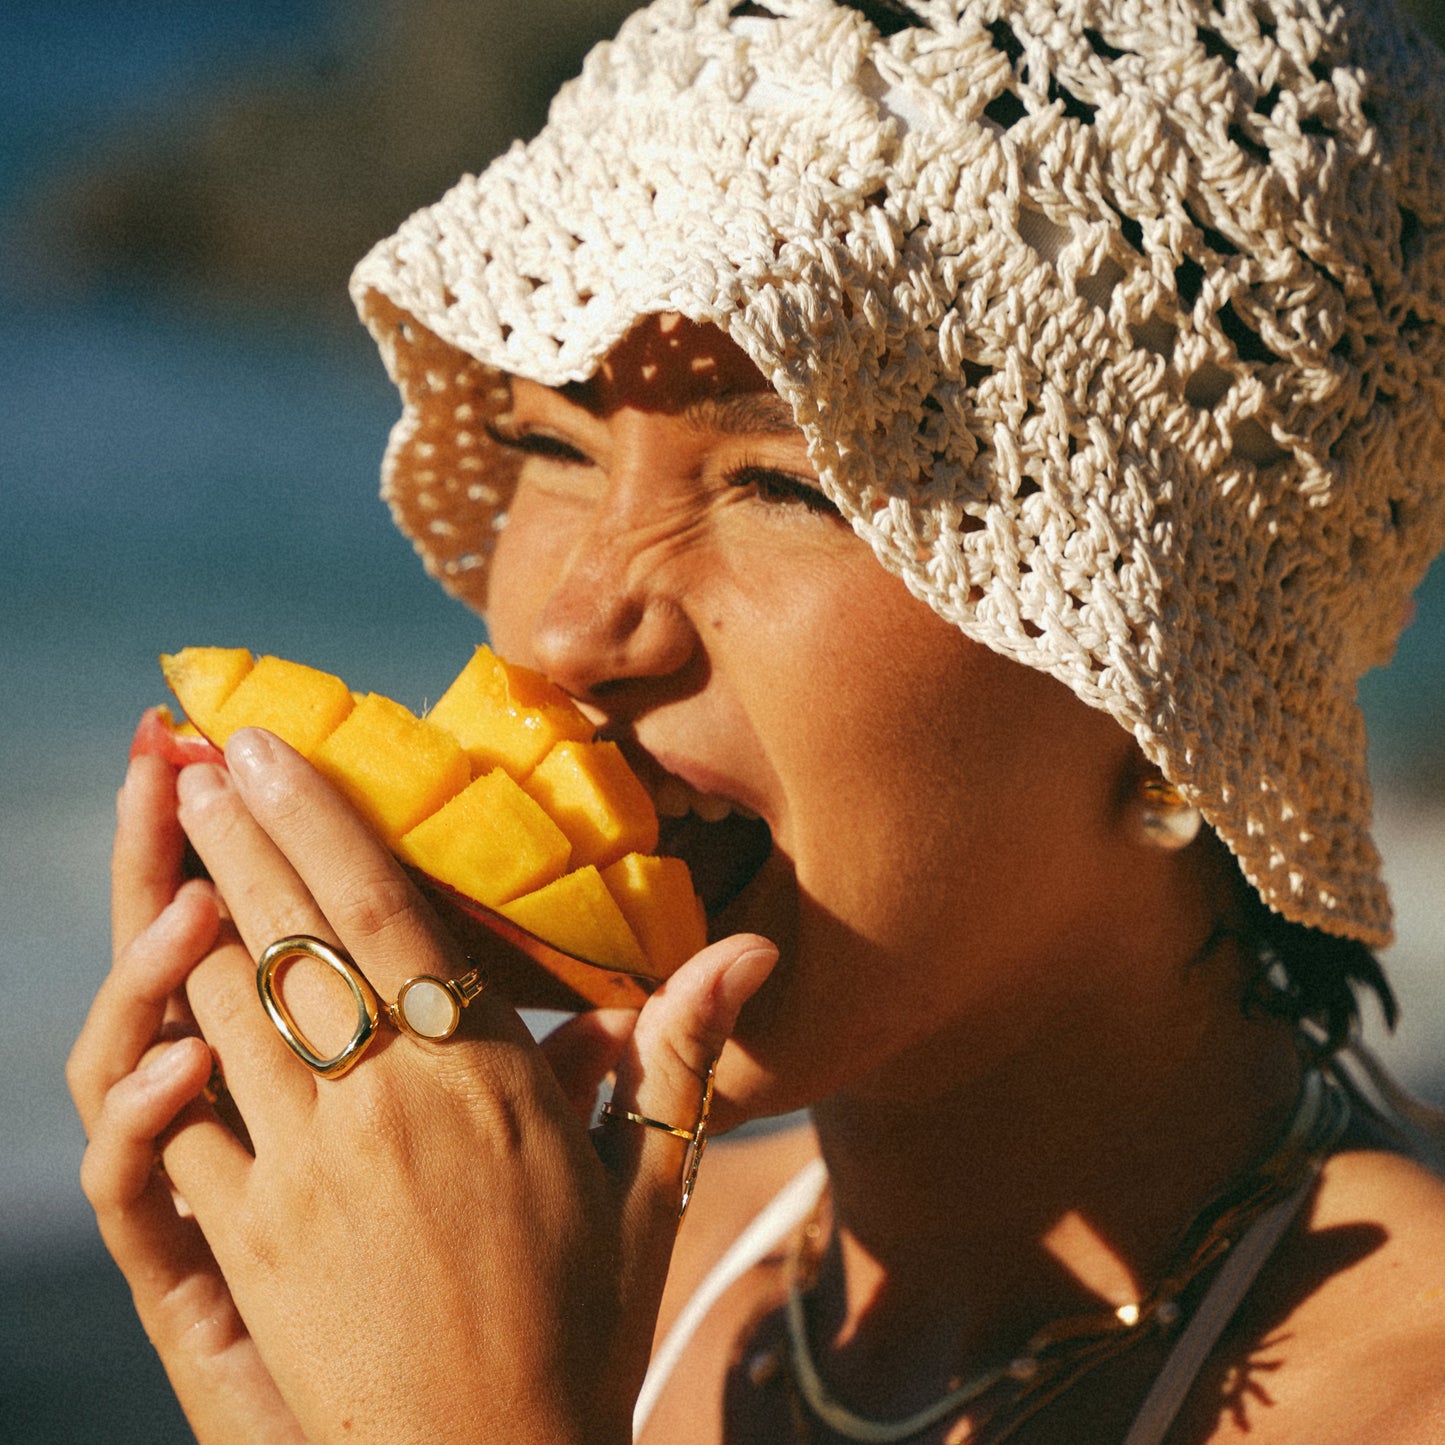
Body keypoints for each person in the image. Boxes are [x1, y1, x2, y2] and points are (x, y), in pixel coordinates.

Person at [68, 0, 1445, 1440]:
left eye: (787, 485)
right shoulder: (565, 1283)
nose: (566, 630)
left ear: (1183, 685)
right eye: (550, 442)